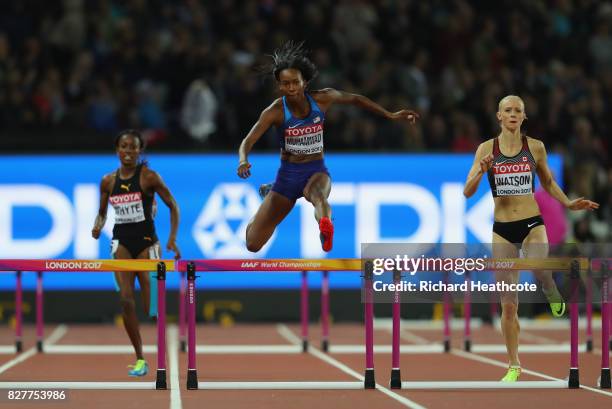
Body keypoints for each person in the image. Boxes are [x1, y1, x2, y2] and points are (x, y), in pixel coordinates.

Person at [463, 95, 599, 382]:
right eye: (508, 110)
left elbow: (548, 182)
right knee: (508, 303)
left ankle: (550, 290)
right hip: (502, 229)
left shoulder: (535, 147)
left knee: (539, 267)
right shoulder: (486, 149)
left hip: (532, 222)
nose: (513, 114)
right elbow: (467, 191)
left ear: (524, 117)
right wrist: (481, 171)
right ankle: (514, 364)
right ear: (499, 116)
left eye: (518, 111)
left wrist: (569, 203)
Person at [237, 42, 419, 252]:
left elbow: (356, 99)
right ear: (279, 85)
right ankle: (271, 192)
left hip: (315, 170)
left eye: (295, 82)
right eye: (285, 84)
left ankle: (326, 227)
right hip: (287, 177)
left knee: (319, 196)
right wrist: (243, 160)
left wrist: (390, 114)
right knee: (252, 244)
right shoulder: (275, 111)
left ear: (305, 82)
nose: (291, 88)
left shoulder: (322, 98)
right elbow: (248, 140)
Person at [92, 129, 181, 376]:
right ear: (117, 150)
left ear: (140, 150)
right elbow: (102, 212)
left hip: (146, 243)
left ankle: (165, 352)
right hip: (121, 242)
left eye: (133, 147)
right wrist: (97, 226)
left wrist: (172, 239)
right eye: (124, 146)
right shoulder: (108, 181)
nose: (128, 151)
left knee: (151, 307)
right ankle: (140, 358)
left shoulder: (149, 177)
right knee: (125, 301)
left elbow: (173, 206)